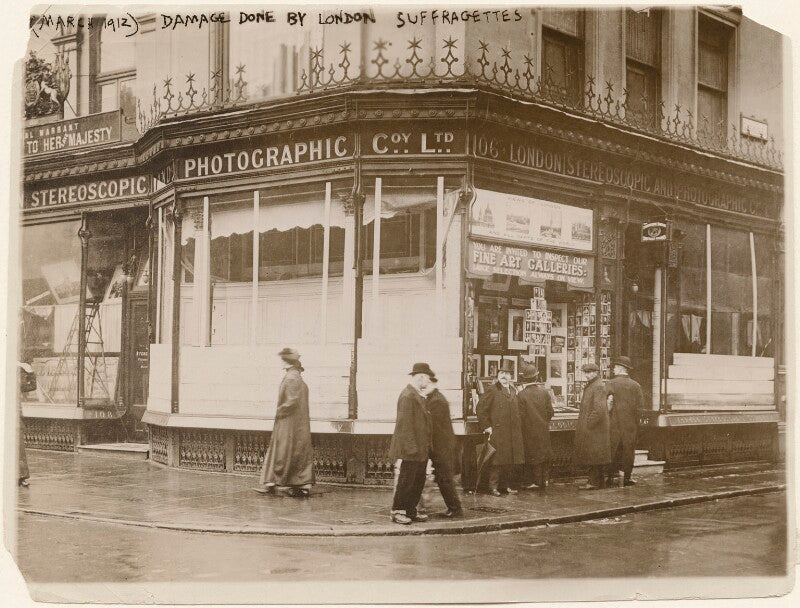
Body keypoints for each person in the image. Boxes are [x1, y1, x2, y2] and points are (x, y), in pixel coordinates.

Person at [254, 348, 314, 498]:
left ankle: (273, 483)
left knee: (282, 452)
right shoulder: (295, 376)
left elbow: (291, 401)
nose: (280, 362)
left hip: (289, 423)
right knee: (291, 451)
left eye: (283, 359)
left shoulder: (291, 378)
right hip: (295, 424)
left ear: (288, 362)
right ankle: (281, 483)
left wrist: (279, 411)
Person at [388, 362, 435, 525]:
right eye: (427, 378)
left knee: (417, 481)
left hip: (420, 449)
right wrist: (411, 448)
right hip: (412, 450)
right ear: (420, 377)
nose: (428, 382)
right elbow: (405, 425)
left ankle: (410, 510)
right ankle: (398, 511)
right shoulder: (408, 396)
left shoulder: (417, 395)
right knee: (406, 481)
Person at [476, 359, 525, 496]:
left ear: (511, 376)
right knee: (496, 461)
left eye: (507, 373)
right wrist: (487, 426)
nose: (504, 376)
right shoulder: (492, 389)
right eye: (502, 373)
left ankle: (506, 486)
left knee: (509, 461)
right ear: (498, 375)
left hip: (512, 432)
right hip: (498, 431)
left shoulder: (513, 390)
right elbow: (480, 409)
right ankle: (493, 487)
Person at [426, 375, 463, 518]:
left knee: (445, 480)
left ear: (433, 383)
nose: (424, 386)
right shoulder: (435, 398)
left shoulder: (436, 401)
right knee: (444, 480)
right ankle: (454, 508)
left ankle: (455, 509)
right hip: (442, 446)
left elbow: (433, 426)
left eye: (427, 383)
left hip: (442, 447)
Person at [606, 356, 644, 487]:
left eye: (615, 367)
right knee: (628, 452)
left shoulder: (610, 383)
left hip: (613, 424)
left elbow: (607, 404)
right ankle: (627, 478)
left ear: (621, 368)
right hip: (630, 426)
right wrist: (636, 424)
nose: (613, 369)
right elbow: (640, 408)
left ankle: (610, 478)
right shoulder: (636, 385)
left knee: (612, 450)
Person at [573, 363, 611, 490]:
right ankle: (598, 482)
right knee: (595, 456)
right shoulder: (593, 385)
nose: (587, 375)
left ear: (596, 372)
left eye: (589, 372)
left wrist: (588, 424)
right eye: (585, 372)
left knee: (594, 456)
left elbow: (598, 409)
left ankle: (593, 483)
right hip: (595, 428)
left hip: (595, 429)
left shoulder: (598, 386)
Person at [516, 363, 554, 490]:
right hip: (543, 429)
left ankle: (535, 482)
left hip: (528, 431)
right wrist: (543, 422)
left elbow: (520, 416)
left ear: (524, 379)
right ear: (537, 377)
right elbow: (550, 412)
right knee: (543, 454)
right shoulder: (545, 392)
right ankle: (544, 480)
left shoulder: (521, 395)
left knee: (532, 455)